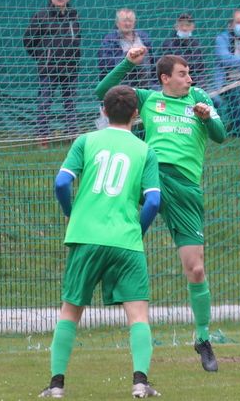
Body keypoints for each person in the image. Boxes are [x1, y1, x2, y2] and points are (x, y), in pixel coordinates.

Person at [96, 51, 226, 373]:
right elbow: (104, 93)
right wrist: (128, 62)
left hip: (185, 187)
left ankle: (203, 338)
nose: (189, 79)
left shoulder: (199, 98)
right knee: (114, 218)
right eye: (183, 73)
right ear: (165, 78)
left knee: (196, 269)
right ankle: (106, 272)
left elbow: (221, 136)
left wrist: (207, 118)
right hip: (150, 174)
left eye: (190, 73)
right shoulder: (149, 99)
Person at [40, 85, 162, 399]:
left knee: (70, 311)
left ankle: (56, 385)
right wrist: (137, 230)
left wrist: (71, 213)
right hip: (126, 241)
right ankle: (140, 383)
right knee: (138, 314)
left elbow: (62, 182)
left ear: (104, 111)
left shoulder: (86, 141)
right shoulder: (145, 150)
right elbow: (153, 201)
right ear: (136, 114)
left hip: (86, 236)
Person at [24, 0, 82, 144]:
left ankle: (72, 134)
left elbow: (78, 38)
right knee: (45, 101)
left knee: (70, 102)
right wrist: (43, 57)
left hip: (70, 67)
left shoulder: (73, 15)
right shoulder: (41, 15)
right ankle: (43, 135)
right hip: (48, 68)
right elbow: (28, 41)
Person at [98, 8, 154, 88]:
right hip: (120, 82)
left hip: (144, 81)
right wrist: (127, 56)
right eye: (124, 21)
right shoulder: (109, 40)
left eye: (130, 21)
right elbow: (103, 64)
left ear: (134, 22)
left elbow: (152, 61)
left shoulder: (144, 37)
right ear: (117, 23)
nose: (127, 24)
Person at [160, 13, 210, 93]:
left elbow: (201, 69)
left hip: (195, 84)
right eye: (181, 25)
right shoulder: (168, 44)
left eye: (188, 25)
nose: (184, 28)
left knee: (215, 98)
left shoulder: (196, 44)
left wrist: (201, 87)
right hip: (175, 85)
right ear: (176, 27)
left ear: (193, 27)